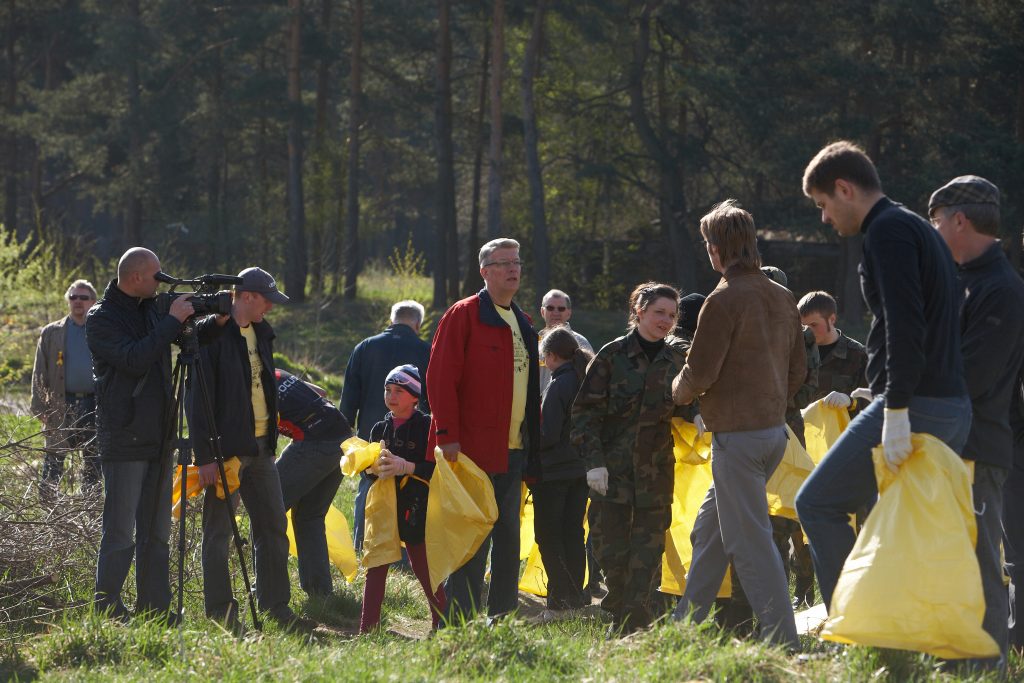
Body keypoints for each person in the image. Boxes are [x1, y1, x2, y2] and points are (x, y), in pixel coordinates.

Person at [795, 141, 971, 612]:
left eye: (823, 205)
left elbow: (904, 323)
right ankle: (893, 635)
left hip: (916, 405)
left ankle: (854, 623)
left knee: (817, 503)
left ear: (844, 188)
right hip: (943, 400)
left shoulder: (887, 232)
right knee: (898, 528)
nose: (825, 218)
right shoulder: (914, 225)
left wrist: (894, 409)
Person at [669, 201, 804, 650]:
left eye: (708, 243)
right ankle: (684, 626)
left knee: (751, 544)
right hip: (772, 435)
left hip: (738, 441)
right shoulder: (782, 295)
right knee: (709, 531)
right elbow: (798, 371)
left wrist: (676, 392)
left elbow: (699, 372)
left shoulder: (722, 299)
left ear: (716, 247)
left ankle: (782, 643)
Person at [87, 247, 217, 622]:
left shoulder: (154, 309)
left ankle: (155, 609)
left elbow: (186, 333)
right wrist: (170, 321)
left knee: (157, 530)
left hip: (160, 435)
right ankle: (107, 607)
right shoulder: (102, 318)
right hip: (124, 437)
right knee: (120, 530)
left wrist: (217, 315)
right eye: (157, 275)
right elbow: (133, 358)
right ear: (137, 278)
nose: (162, 281)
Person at [928, 175, 1024, 670]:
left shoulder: (1001, 288)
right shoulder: (962, 280)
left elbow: (975, 376)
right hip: (951, 445)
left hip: (978, 449)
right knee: (951, 560)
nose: (934, 230)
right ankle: (954, 659)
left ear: (959, 220)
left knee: (983, 561)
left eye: (937, 220)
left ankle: (989, 665)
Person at [191, 267, 312, 632]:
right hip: (226, 451)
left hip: (262, 448)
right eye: (265, 300)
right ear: (245, 296)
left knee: (273, 524)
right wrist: (206, 458)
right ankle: (221, 613)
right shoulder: (212, 334)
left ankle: (276, 607)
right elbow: (198, 401)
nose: (270, 308)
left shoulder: (261, 332)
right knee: (218, 532)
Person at [426, 237, 540, 623]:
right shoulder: (464, 314)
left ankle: (502, 617)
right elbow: (440, 378)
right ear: (484, 271)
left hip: (513, 450)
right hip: (471, 451)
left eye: (517, 262)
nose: (513, 269)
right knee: (471, 538)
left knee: (509, 538)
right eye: (503, 262)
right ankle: (460, 622)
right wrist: (447, 436)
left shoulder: (523, 322)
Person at [571, 282, 689, 634]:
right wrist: (593, 461)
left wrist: (699, 413)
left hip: (655, 474)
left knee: (648, 554)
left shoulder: (677, 359)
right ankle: (623, 612)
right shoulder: (612, 355)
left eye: (671, 315)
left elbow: (691, 398)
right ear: (639, 311)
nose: (666, 321)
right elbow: (583, 414)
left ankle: (631, 624)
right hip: (611, 473)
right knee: (611, 550)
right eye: (659, 313)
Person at [358, 365, 446, 633]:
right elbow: (367, 470)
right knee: (377, 563)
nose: (391, 396)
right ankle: (368, 629)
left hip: (416, 505)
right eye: (387, 390)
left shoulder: (428, 426)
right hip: (384, 506)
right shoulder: (379, 428)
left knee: (422, 565)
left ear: (415, 397)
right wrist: (372, 468)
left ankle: (443, 623)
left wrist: (406, 466)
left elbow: (435, 469)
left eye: (399, 391)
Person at [340, 300, 431, 551]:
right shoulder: (427, 350)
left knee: (368, 492)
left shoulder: (365, 347)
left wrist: (345, 435)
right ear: (418, 325)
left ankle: (363, 546)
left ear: (391, 321)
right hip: (415, 436)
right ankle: (407, 554)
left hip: (373, 436)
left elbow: (349, 398)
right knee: (411, 498)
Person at [274, 368, 353, 597]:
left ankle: (269, 592)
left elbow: (265, 449)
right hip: (341, 436)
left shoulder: (250, 387)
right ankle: (320, 594)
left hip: (316, 440)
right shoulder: (276, 372)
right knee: (309, 515)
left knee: (268, 510)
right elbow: (320, 391)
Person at [532, 326, 592, 619]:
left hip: (554, 471)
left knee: (548, 535)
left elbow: (549, 433)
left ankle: (558, 602)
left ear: (551, 356)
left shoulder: (559, 384)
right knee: (573, 534)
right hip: (580, 471)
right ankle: (575, 600)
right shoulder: (584, 379)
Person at [32, 279, 101, 495]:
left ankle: (89, 509)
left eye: (83, 297)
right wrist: (41, 407)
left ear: (93, 301)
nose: (78, 301)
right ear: (68, 301)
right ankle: (48, 508)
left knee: (92, 461)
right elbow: (38, 372)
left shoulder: (101, 330)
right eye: (73, 297)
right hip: (61, 404)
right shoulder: (51, 332)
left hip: (94, 404)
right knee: (54, 459)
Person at [797, 291, 868, 412]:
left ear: (832, 319)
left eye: (814, 325)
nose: (808, 331)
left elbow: (875, 403)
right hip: (799, 429)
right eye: (803, 326)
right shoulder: (794, 354)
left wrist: (850, 402)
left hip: (841, 429)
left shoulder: (859, 355)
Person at [537, 289, 593, 392]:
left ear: (569, 313)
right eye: (550, 308)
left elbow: (590, 380)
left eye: (561, 308)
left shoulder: (581, 343)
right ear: (542, 311)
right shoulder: (533, 341)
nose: (555, 312)